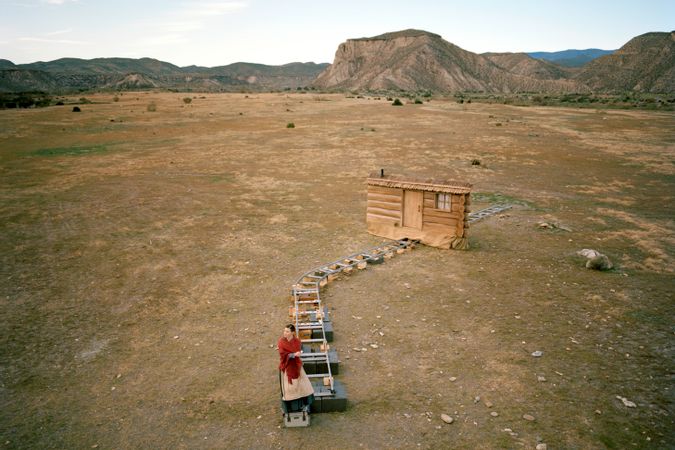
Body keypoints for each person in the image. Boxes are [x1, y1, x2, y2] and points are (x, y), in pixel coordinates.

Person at [278, 324, 314, 413]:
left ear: (292, 333)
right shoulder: (281, 342)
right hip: (287, 367)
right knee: (289, 389)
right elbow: (282, 354)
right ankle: (290, 409)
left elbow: (298, 349)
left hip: (297, 366)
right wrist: (293, 355)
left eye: (287, 331)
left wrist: (298, 354)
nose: (285, 333)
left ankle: (304, 405)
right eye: (284, 331)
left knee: (303, 385)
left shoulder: (297, 341)